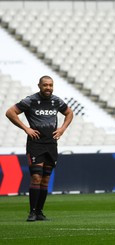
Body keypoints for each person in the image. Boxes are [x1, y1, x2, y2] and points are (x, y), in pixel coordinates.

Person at [5, 75, 74, 222]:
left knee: (45, 179)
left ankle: (40, 212)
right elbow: (10, 112)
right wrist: (26, 128)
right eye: (45, 85)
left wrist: (62, 129)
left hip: (51, 144)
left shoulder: (56, 101)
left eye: (50, 85)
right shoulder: (30, 100)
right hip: (35, 145)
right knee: (36, 177)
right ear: (39, 86)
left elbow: (69, 113)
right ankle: (32, 212)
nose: (48, 88)